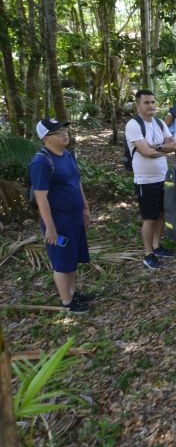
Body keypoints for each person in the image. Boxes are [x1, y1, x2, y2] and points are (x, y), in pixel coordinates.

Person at [29, 118, 93, 313]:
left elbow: (77, 181)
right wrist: (50, 227)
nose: (64, 134)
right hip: (59, 222)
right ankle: (67, 302)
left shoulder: (67, 154)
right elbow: (41, 197)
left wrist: (84, 207)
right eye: (58, 132)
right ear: (46, 138)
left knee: (72, 258)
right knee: (62, 262)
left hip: (74, 218)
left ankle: (73, 292)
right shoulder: (41, 161)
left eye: (64, 129)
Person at [126, 89, 176, 269]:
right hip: (145, 180)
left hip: (162, 177)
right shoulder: (133, 125)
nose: (151, 106)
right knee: (149, 218)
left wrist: (156, 147)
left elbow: (174, 146)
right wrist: (163, 148)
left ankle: (157, 246)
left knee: (162, 213)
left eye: (153, 102)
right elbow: (145, 152)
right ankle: (148, 253)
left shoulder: (159, 123)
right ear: (138, 105)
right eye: (146, 102)